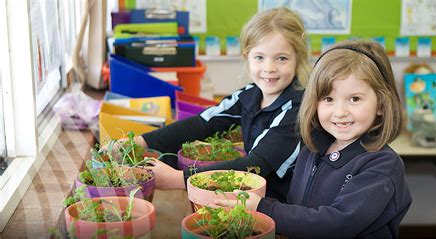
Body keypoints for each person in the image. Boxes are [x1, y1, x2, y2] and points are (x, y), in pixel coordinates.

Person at [216, 40, 412, 238]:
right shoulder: (312, 148)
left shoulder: (383, 165)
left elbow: (336, 224)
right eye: (328, 99)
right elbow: (297, 207)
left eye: (355, 99)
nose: (340, 112)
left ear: (381, 104)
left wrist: (264, 208)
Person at [128, 7, 310, 202]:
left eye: (281, 58)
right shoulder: (249, 95)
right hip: (246, 194)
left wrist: (178, 179)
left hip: (278, 206)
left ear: (297, 59)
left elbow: (255, 165)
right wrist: (140, 141)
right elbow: (204, 122)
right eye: (259, 57)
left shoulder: (297, 110)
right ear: (246, 57)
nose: (269, 68)